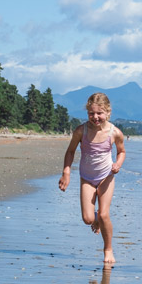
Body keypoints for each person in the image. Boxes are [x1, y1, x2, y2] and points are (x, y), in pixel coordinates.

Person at [59, 93, 126, 264]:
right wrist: (66, 172)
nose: (95, 117)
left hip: (106, 177)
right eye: (91, 113)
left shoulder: (115, 132)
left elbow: (121, 152)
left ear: (108, 113)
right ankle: (95, 218)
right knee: (88, 219)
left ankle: (108, 249)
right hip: (87, 178)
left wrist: (118, 164)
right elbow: (71, 151)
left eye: (99, 113)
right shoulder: (81, 131)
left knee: (104, 214)